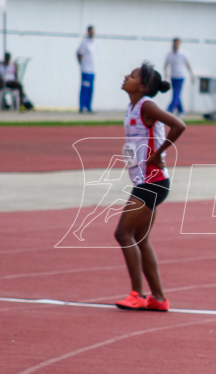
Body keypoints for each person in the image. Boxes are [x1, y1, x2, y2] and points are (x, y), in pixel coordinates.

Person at [113, 62, 186, 312]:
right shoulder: (132, 106)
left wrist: (159, 153)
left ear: (143, 86)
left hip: (152, 182)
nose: (126, 76)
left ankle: (137, 294)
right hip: (146, 180)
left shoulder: (147, 105)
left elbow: (179, 125)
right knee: (141, 240)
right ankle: (158, 298)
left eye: (132, 75)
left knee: (123, 234)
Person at [163, 38, 194, 115]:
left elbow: (188, 64)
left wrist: (192, 75)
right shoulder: (169, 54)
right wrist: (166, 76)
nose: (176, 45)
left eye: (177, 44)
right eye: (175, 43)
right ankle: (181, 110)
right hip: (173, 76)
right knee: (176, 94)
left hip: (181, 76)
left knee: (176, 94)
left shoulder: (183, 53)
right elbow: (166, 65)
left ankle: (169, 109)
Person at [77, 26, 97, 113]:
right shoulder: (85, 43)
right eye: (90, 32)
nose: (92, 33)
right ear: (88, 32)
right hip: (86, 70)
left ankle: (89, 106)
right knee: (85, 88)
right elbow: (79, 54)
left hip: (92, 70)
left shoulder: (94, 43)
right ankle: (82, 106)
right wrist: (82, 64)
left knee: (91, 89)